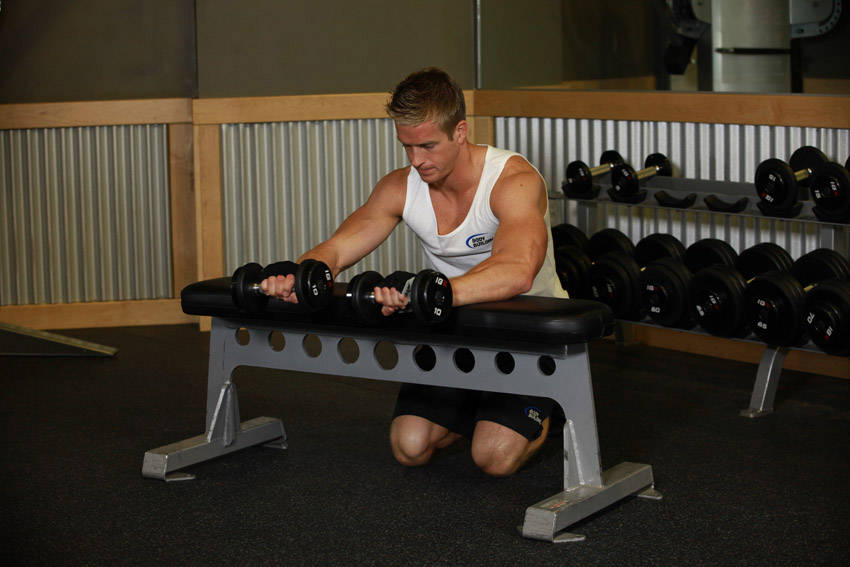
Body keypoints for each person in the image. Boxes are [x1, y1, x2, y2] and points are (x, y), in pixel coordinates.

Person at [261, 67, 567, 477]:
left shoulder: (513, 181)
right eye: (407, 146)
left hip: (527, 330)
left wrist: (428, 295)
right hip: (453, 324)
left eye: (428, 145)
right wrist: (298, 276)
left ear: (460, 131)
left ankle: (553, 406)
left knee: (493, 458)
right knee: (410, 447)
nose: (417, 160)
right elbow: (336, 249)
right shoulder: (400, 187)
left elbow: (516, 271)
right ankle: (481, 404)